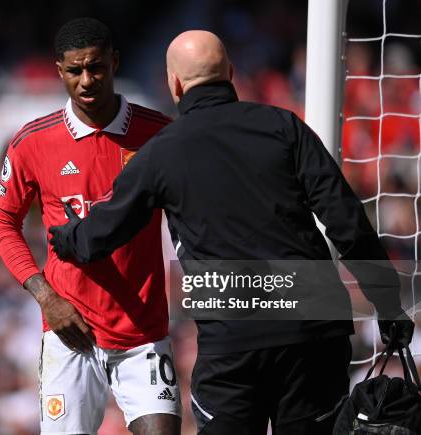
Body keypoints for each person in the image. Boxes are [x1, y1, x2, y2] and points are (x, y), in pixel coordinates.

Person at [48, 30, 415, 434]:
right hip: (313, 331)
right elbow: (347, 222)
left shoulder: (162, 151)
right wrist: (388, 305)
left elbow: (102, 234)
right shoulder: (283, 126)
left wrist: (65, 235)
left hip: (234, 338)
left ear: (174, 83)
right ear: (231, 74)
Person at [0, 18, 181, 435]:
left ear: (114, 62)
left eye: (95, 67)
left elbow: (191, 215)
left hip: (142, 332)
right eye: (75, 71)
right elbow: (4, 225)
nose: (86, 80)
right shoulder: (32, 142)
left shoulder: (159, 135)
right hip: (69, 330)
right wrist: (45, 297)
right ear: (59, 71)